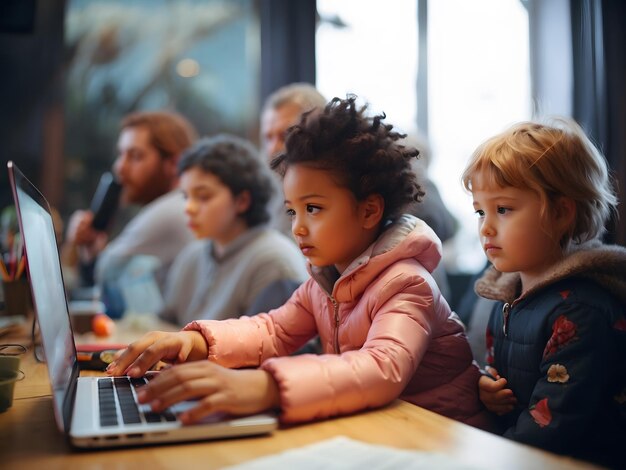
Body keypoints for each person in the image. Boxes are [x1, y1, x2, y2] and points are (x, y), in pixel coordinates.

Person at [107, 96, 489, 429]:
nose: (299, 228)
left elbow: (381, 369)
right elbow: (272, 330)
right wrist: (195, 341)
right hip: (385, 426)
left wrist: (268, 385)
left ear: (369, 209)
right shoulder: (324, 283)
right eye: (292, 211)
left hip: (439, 436)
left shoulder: (407, 284)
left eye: (314, 209)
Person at [461, 118, 626, 467]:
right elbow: (503, 370)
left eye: (503, 209)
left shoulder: (580, 310)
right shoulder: (509, 294)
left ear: (561, 213)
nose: (486, 227)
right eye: (480, 211)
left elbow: (552, 426)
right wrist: (489, 388)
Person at [159, 134, 308, 326]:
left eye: (203, 197)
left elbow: (265, 350)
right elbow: (165, 326)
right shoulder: (191, 256)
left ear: (242, 201)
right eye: (186, 197)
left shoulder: (273, 262)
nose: (188, 208)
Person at [62, 110, 197, 315]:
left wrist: (79, 248)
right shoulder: (178, 204)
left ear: (174, 164)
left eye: (135, 156)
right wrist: (92, 248)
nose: (120, 167)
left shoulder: (171, 209)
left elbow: (105, 273)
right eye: (121, 154)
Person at [260, 82, 327, 237]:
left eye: (284, 135)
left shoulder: (335, 189)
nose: (272, 149)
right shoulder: (265, 188)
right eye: (268, 138)